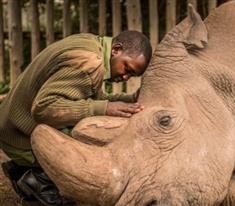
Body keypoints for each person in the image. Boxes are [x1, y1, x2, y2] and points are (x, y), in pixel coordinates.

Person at [0, 31, 152, 205]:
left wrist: (131, 100)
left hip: (11, 126)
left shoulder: (91, 44)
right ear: (116, 50)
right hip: (20, 136)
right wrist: (104, 109)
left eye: (132, 76)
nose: (125, 77)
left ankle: (22, 171)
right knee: (96, 134)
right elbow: (44, 108)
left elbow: (92, 99)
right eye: (127, 69)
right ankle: (40, 179)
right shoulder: (89, 63)